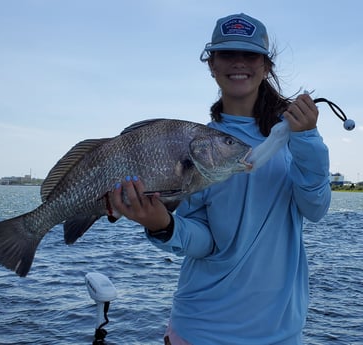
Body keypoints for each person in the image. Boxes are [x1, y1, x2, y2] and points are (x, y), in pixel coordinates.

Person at [111, 13, 331, 345]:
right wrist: (163, 226)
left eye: (250, 54)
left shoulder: (292, 136)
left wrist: (309, 138)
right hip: (199, 330)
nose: (238, 63)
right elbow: (205, 241)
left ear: (266, 66)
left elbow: (315, 208)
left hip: (280, 334)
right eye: (227, 54)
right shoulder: (199, 146)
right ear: (211, 64)